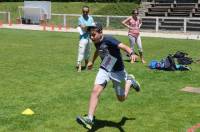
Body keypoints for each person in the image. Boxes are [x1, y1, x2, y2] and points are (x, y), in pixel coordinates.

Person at [76, 22, 141, 130]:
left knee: (121, 99)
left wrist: (131, 53)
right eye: (91, 35)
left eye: (94, 35)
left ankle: (129, 81)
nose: (92, 38)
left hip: (118, 70)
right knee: (95, 90)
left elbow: (123, 46)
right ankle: (90, 118)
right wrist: (92, 61)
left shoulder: (109, 39)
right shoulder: (96, 40)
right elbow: (98, 49)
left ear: (101, 32)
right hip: (107, 64)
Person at [76, 6, 94, 72]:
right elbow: (83, 27)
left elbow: (92, 28)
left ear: (88, 11)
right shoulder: (80, 18)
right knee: (81, 52)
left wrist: (88, 28)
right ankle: (79, 66)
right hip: (83, 38)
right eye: (84, 12)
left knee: (88, 52)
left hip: (89, 38)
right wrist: (89, 28)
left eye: (87, 12)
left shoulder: (91, 18)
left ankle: (87, 65)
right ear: (82, 11)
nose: (85, 13)